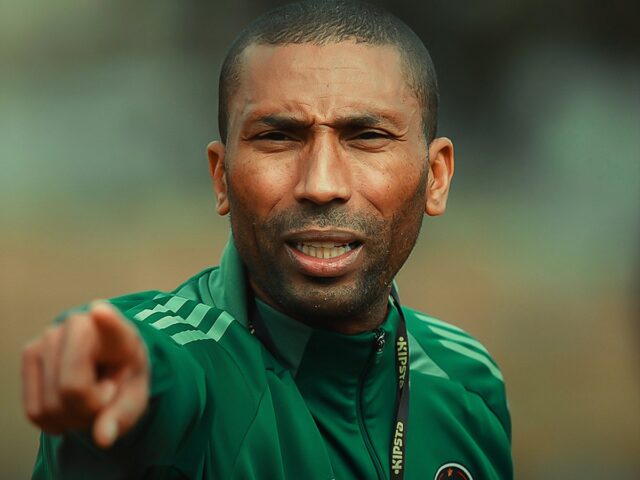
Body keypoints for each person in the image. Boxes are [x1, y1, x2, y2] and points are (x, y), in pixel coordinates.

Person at [21, 1, 513, 478]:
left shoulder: (467, 378)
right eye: (278, 137)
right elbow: (154, 369)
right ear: (221, 178)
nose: (321, 184)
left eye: (367, 136)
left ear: (436, 177)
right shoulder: (181, 366)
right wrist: (114, 372)